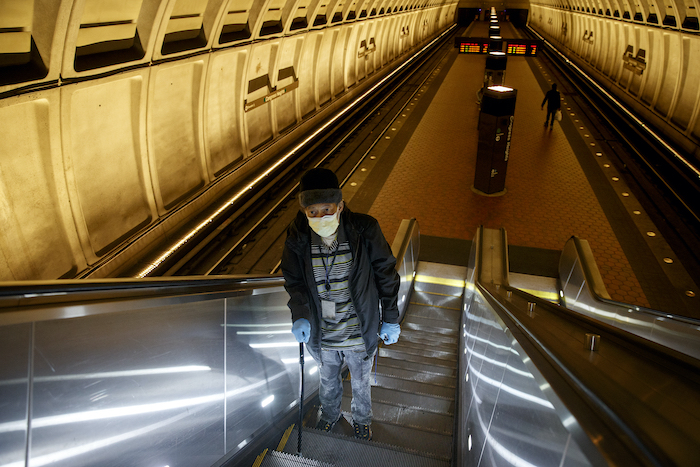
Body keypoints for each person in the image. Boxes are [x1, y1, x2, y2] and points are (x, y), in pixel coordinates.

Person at [281, 167, 401, 441]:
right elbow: (294, 279)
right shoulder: (297, 237)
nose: (321, 216)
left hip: (359, 329)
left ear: (340, 205)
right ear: (304, 212)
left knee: (361, 382)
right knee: (327, 381)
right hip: (324, 333)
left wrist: (391, 317)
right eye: (313, 211)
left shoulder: (364, 229)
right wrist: (300, 314)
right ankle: (329, 414)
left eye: (327, 209)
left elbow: (386, 272)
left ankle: (361, 419)